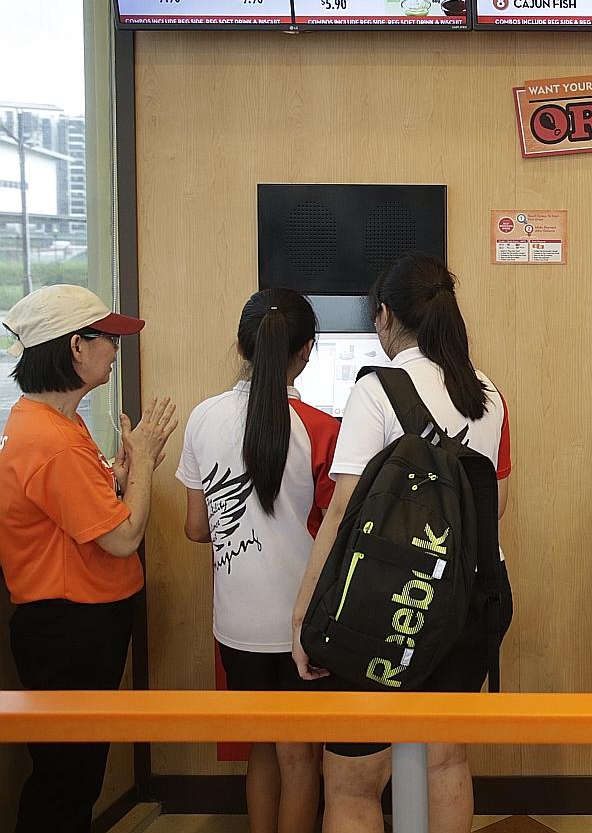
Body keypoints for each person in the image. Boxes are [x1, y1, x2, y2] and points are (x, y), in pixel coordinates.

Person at [290, 253, 511, 833]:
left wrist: (305, 617)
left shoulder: (375, 391)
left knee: (353, 782)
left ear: (385, 316)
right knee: (447, 761)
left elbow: (342, 511)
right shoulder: (487, 394)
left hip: (381, 607)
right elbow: (496, 510)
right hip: (466, 603)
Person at [0, 285, 177, 833]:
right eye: (109, 339)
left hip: (80, 621)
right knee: (66, 778)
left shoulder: (57, 422)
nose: (115, 350)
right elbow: (122, 538)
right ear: (76, 346)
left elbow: (86, 510)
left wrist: (121, 477)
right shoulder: (50, 440)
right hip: (68, 627)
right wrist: (143, 464)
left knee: (75, 772)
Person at [177, 289, 339, 833]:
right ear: (307, 351)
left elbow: (196, 528)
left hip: (236, 622)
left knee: (261, 750)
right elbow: (334, 535)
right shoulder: (322, 429)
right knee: (301, 758)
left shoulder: (204, 418)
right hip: (302, 624)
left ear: (242, 345)